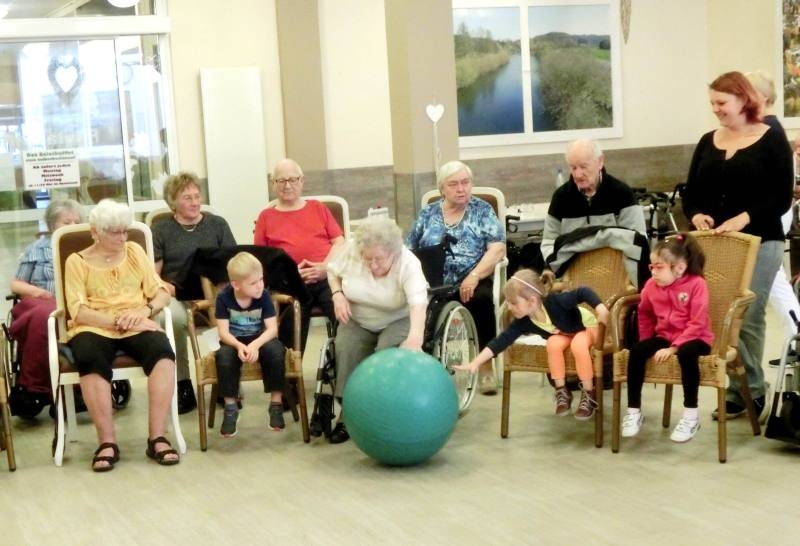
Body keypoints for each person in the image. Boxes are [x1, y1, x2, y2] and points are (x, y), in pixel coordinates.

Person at [682, 71, 794, 420]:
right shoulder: (707, 141)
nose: (715, 110)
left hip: (761, 240)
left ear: (744, 100)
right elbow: (692, 193)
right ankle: (743, 386)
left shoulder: (772, 139)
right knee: (719, 313)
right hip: (716, 245)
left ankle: (749, 391)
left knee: (747, 313)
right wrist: (697, 213)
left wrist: (745, 217)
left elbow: (781, 196)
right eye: (712, 103)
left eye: (721, 103)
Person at [65, 199, 179, 471]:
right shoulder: (77, 261)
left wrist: (146, 310)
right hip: (94, 325)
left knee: (163, 353)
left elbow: (161, 291)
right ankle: (107, 442)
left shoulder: (135, 251)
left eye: (124, 231)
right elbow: (77, 311)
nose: (122, 237)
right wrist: (120, 321)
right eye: (114, 232)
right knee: (89, 357)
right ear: (95, 232)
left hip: (138, 321)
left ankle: (157, 437)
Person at [405, 160, 506, 394]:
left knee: (481, 300)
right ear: (442, 189)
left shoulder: (482, 210)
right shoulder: (428, 213)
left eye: (465, 183)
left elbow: (497, 248)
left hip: (472, 279)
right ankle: (423, 368)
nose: (461, 189)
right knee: (416, 307)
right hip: (433, 283)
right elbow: (407, 249)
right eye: (454, 184)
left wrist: (475, 276)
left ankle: (485, 367)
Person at [455, 268, 609, 420]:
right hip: (564, 333)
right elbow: (501, 341)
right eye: (508, 302)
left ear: (532, 300)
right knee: (553, 344)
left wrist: (600, 307)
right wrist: (476, 362)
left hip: (587, 327)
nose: (509, 307)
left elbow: (583, 291)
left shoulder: (557, 302)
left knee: (578, 344)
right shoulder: (524, 321)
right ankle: (562, 391)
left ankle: (589, 393)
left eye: (513, 303)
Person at [326, 216, 428, 443]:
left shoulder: (408, 263)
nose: (372, 265)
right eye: (367, 259)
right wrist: (337, 294)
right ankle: (348, 415)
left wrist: (415, 338)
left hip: (398, 319)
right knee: (346, 348)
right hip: (358, 317)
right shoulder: (353, 250)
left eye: (379, 259)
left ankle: (382, 414)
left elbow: (418, 303)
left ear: (394, 251)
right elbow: (332, 271)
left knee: (385, 356)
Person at [152, 170, 236, 414]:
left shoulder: (217, 224)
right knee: (173, 319)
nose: (194, 202)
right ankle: (183, 384)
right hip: (177, 295)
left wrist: (223, 286)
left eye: (197, 196)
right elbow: (154, 273)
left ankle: (225, 381)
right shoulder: (161, 228)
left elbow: (233, 263)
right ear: (173, 202)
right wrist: (162, 285)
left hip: (215, 291)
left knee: (224, 312)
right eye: (187, 197)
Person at [621, 234, 713, 443]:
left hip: (696, 337)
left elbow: (697, 322)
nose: (653, 272)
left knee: (687, 353)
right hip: (665, 335)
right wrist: (646, 342)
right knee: (636, 351)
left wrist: (674, 348)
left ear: (679, 268)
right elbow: (644, 314)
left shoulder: (697, 284)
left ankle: (691, 416)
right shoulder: (650, 287)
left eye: (659, 267)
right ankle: (634, 411)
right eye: (651, 267)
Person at [253, 158, 345, 351]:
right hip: (290, 283)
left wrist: (325, 267)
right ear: (273, 184)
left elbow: (339, 242)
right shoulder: (265, 217)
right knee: (290, 332)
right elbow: (260, 260)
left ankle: (344, 364)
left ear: (302, 181)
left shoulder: (318, 208)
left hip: (326, 278)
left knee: (344, 318)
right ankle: (292, 376)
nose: (288, 185)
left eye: (293, 180)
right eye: (281, 181)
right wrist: (289, 272)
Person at [9, 199, 82, 417]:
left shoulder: (87, 247)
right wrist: (37, 292)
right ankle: (36, 386)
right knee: (46, 316)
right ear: (51, 226)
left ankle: (77, 385)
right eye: (65, 222)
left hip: (74, 305)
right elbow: (16, 284)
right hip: (40, 301)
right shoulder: (37, 249)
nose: (71, 226)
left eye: (76, 222)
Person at [746, 71, 800, 345]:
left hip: (772, 216)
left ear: (763, 99)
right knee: (776, 281)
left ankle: (796, 331)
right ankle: (796, 330)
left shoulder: (772, 132)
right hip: (769, 215)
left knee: (774, 281)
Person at [541, 139, 646, 263]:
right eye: (573, 168)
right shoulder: (561, 198)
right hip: (572, 270)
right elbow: (548, 243)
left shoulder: (622, 194)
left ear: (600, 161)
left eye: (583, 167)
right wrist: (560, 266)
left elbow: (638, 240)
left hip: (615, 270)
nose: (578, 174)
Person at [215, 252, 285, 437]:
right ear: (236, 284)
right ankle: (230, 407)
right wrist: (239, 346)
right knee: (223, 358)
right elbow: (223, 331)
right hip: (233, 341)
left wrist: (254, 345)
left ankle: (276, 403)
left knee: (276, 351)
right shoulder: (223, 298)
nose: (260, 286)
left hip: (260, 338)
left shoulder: (263, 296)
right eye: (253, 283)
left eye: (261, 279)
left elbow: (272, 329)